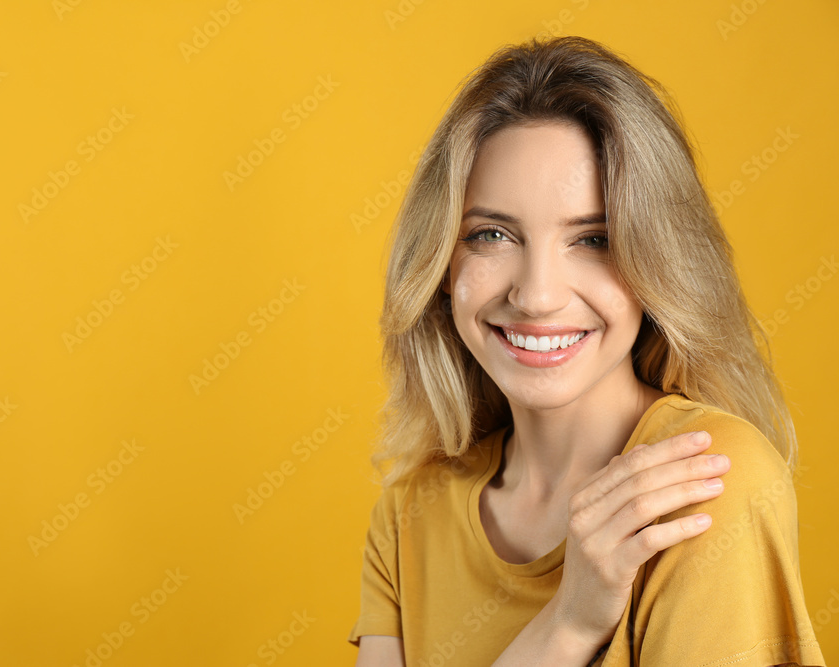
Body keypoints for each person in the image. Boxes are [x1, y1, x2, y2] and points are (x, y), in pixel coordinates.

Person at [348, 35, 825, 667]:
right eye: (492, 235)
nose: (537, 296)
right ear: (440, 263)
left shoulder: (706, 483)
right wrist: (567, 626)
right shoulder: (410, 513)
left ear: (658, 261)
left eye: (594, 239)